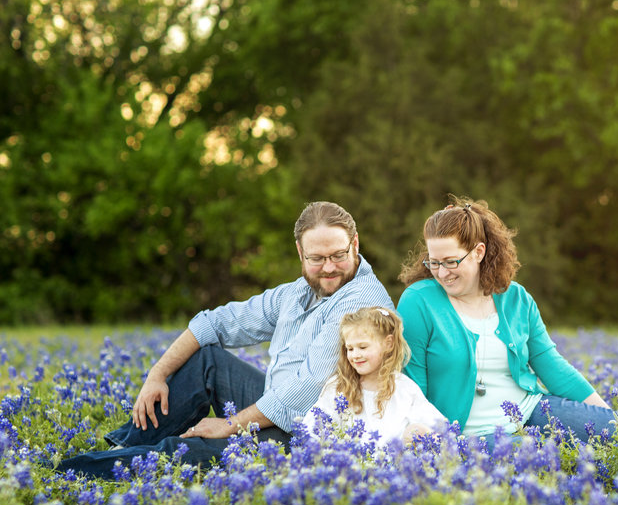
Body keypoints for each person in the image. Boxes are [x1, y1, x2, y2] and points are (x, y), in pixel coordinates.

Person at [56, 201, 393, 478]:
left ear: (356, 244)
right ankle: (119, 450)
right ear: (299, 253)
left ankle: (67, 471)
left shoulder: (360, 300)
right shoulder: (298, 292)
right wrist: (156, 375)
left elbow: (306, 389)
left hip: (319, 434)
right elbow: (216, 323)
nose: (329, 268)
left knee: (186, 452)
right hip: (274, 409)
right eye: (316, 259)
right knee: (207, 360)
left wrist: (230, 425)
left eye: (338, 255)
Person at [396, 197, 617, 449]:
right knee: (535, 460)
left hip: (529, 412)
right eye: (434, 263)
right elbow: (411, 385)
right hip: (469, 433)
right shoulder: (418, 302)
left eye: (451, 262)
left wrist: (607, 417)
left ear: (478, 252)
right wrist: (433, 443)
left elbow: (552, 366)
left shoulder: (516, 298)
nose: (442, 273)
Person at [301, 307, 447, 447]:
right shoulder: (339, 387)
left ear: (388, 344)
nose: (355, 355)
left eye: (363, 347)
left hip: (393, 466)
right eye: (350, 348)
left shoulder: (404, 388)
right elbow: (312, 431)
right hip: (348, 467)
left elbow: (439, 427)